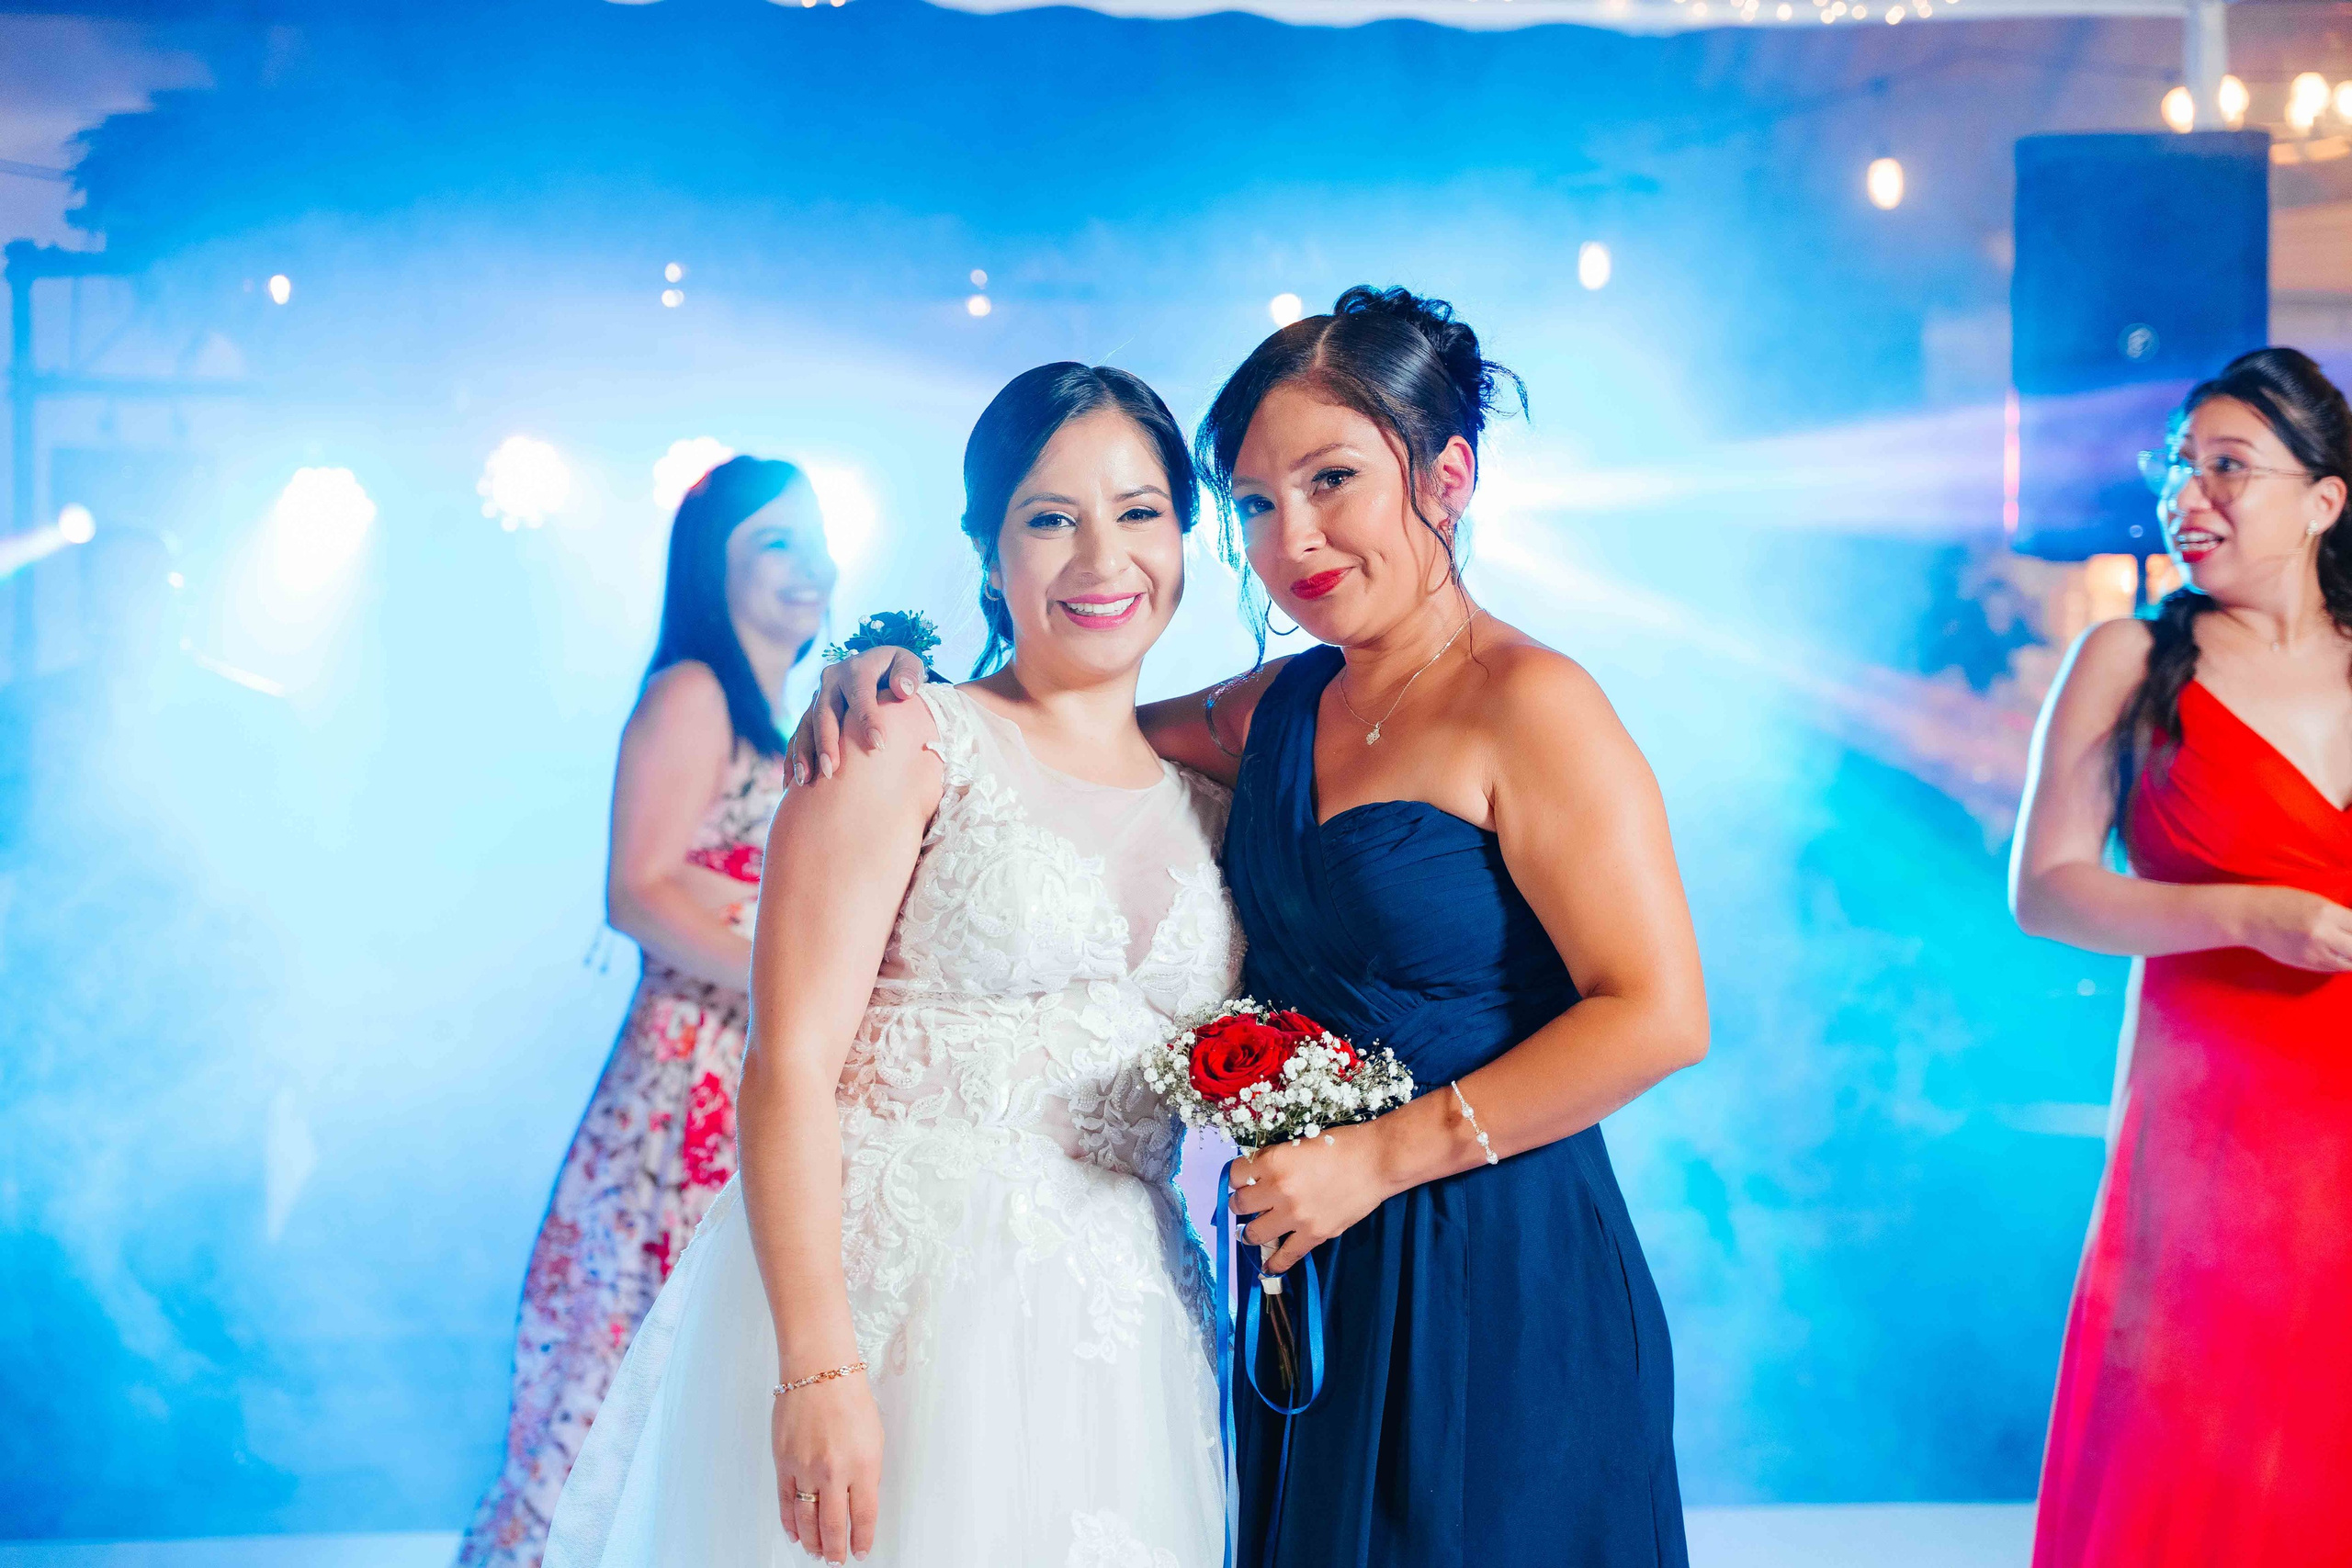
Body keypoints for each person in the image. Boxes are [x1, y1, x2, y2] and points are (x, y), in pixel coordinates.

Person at [799, 287, 1708, 1567]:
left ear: (1449, 472)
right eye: (1255, 503)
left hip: (1495, 1254)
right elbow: (1045, 729)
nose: (1295, 538)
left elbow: (1659, 1009)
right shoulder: (1274, 706)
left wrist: (1380, 1157)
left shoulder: (1534, 703)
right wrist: (890, 681)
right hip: (1309, 1270)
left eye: (1334, 479)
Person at [542, 364, 1244, 1567]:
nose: (1100, 557)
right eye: (1049, 517)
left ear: (1186, 535)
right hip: (905, 1314)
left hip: (1125, 1331)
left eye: (1137, 512)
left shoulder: (1222, 792)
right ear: (987, 550)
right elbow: (790, 1061)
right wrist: (815, 1366)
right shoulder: (902, 735)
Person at [458, 457, 835, 1568]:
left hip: (754, 1053)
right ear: (709, 567)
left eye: (813, 539)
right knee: (630, 1357)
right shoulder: (693, 693)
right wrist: (796, 979)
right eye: (773, 542)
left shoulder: (772, 713)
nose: (806, 564)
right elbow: (639, 888)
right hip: (689, 1076)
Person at [2012, 347, 2352, 1565]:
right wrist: (2246, 912)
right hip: (2215, 1135)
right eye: (2178, 466)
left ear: (2325, 499)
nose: (2188, 494)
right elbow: (2046, 889)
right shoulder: (2130, 659)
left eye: (2228, 466)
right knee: (2198, 1466)